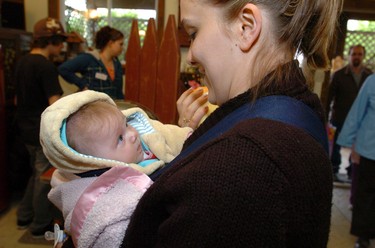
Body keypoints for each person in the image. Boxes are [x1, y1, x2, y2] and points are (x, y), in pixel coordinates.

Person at [121, 0, 341, 247]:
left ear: (246, 27)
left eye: (193, 33)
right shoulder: (296, 112)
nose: (191, 56)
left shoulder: (242, 164)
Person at [39, 90, 193, 247]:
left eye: (126, 124)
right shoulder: (107, 205)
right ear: (96, 162)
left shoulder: (144, 140)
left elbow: (174, 137)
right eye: (120, 138)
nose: (133, 134)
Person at [14, 17, 67, 238]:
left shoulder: (22, 61)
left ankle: (24, 214)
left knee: (35, 173)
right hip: (39, 129)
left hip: (23, 126)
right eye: (60, 41)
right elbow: (55, 105)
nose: (62, 46)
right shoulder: (45, 66)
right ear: (51, 41)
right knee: (43, 177)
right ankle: (38, 223)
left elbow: (17, 99)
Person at [337, 74, 375, 248]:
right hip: (369, 148)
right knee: (365, 193)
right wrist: (349, 142)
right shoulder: (372, 81)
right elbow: (357, 112)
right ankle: (363, 235)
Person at [326, 45, 372, 182]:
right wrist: (326, 116)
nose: (356, 57)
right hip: (340, 116)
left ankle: (352, 172)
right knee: (336, 146)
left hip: (361, 120)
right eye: (354, 54)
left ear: (363, 56)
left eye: (359, 54)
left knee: (357, 146)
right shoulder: (339, 75)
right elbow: (329, 98)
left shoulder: (368, 76)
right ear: (349, 55)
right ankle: (334, 169)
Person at [58, 26, 125, 99]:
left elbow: (119, 91)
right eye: (120, 44)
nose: (122, 48)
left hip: (110, 106)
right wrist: (82, 84)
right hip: (92, 106)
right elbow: (63, 69)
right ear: (110, 43)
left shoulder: (117, 63)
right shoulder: (89, 58)